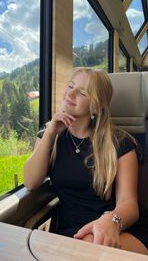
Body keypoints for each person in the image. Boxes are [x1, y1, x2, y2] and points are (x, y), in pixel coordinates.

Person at [24, 67, 148, 254]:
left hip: (120, 229)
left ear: (95, 107)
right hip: (71, 233)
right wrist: (50, 132)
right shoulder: (48, 137)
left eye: (82, 92)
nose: (70, 94)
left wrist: (111, 220)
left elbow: (129, 204)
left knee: (88, 247)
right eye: (70, 86)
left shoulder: (120, 143)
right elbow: (31, 182)